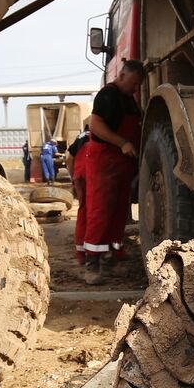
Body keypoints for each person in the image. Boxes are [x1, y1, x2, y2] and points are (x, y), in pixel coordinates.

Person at [74, 61, 143, 284]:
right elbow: (95, 125)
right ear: (122, 76)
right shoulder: (107, 96)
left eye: (137, 86)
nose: (135, 90)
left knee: (118, 213)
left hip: (122, 164)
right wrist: (122, 142)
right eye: (133, 84)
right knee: (100, 212)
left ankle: (115, 258)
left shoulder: (128, 99)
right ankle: (92, 264)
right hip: (104, 161)